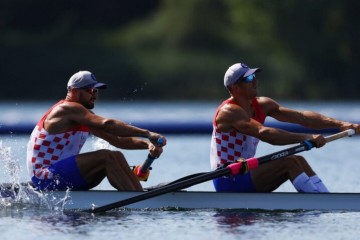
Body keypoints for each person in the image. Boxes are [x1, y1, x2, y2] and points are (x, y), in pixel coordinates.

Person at [210, 62, 360, 193]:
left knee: (299, 160)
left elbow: (302, 117)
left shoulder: (262, 105)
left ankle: (324, 198)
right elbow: (265, 133)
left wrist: (341, 124)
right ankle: (321, 203)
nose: (255, 81)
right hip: (227, 178)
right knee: (290, 163)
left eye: (255, 77)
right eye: (249, 79)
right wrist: (306, 137)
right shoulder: (229, 112)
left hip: (245, 171)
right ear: (235, 87)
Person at [26, 70, 166, 191]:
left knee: (116, 155)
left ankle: (137, 194)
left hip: (60, 175)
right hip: (44, 177)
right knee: (108, 157)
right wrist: (147, 134)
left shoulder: (82, 117)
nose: (94, 95)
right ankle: (138, 199)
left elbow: (117, 140)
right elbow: (107, 124)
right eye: (89, 90)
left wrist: (147, 144)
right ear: (74, 91)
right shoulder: (66, 109)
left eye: (96, 90)